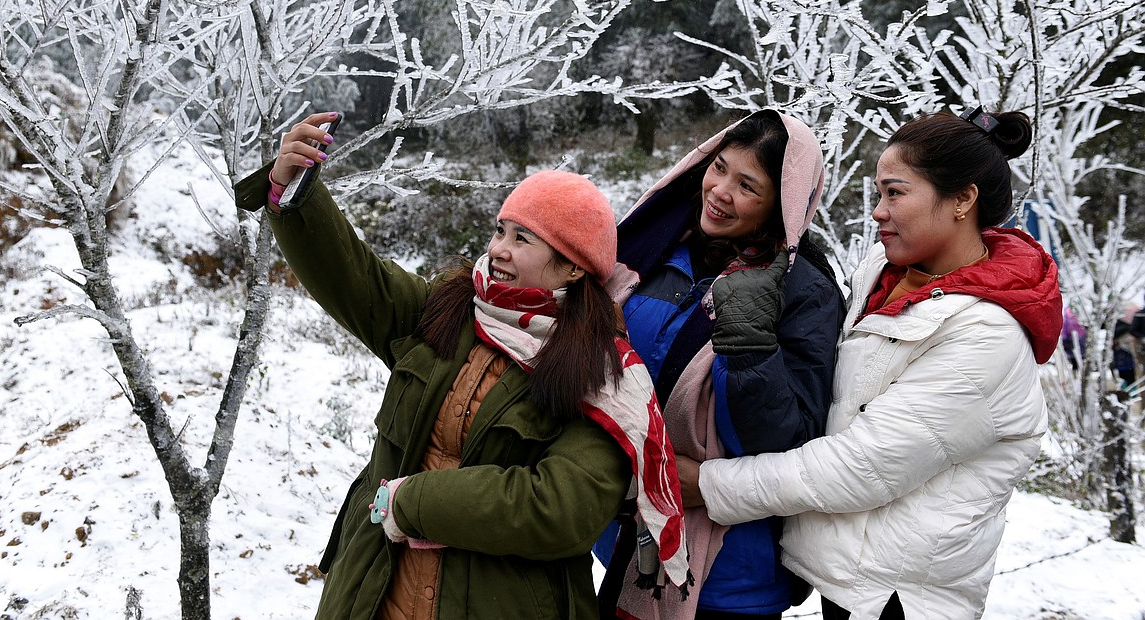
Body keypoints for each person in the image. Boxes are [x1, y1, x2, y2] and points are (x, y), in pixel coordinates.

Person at [233, 112, 689, 620]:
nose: (498, 249)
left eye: (523, 239)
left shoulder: (600, 375)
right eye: (501, 230)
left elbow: (563, 508)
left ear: (574, 265)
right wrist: (293, 192)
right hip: (375, 592)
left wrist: (414, 503)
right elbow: (355, 276)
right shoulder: (451, 312)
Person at [688, 106, 1063, 620]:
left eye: (895, 192)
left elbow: (860, 468)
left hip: (903, 597)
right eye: (878, 193)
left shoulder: (986, 334)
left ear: (962, 199)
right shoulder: (887, 275)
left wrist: (707, 483)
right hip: (851, 576)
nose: (878, 212)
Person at [594, 109, 846, 620]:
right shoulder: (659, 252)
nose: (720, 190)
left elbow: (789, 439)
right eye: (720, 167)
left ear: (783, 204)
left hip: (730, 569)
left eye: (747, 185)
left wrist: (749, 342)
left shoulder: (805, 293)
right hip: (629, 536)